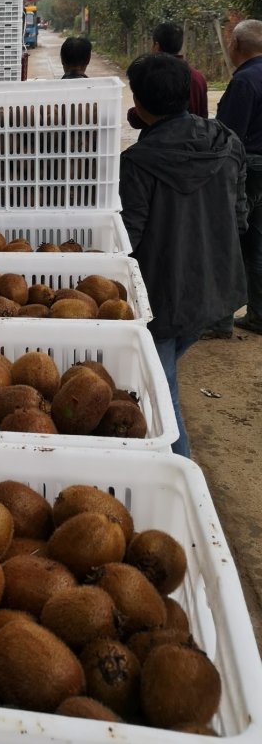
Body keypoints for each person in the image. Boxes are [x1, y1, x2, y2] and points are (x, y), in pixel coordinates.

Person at [119, 53, 247, 458]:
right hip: (217, 284)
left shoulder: (138, 163)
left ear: (138, 103)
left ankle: (180, 469)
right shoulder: (226, 142)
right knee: (165, 371)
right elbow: (240, 214)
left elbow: (129, 240)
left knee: (162, 392)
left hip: (165, 295)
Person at [204, 19, 262, 336]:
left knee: (228, 241)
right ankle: (258, 314)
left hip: (247, 170)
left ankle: (219, 320)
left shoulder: (244, 82)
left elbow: (228, 136)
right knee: (257, 245)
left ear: (236, 45)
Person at [127, 23, 208, 128]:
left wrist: (132, 113)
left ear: (156, 46)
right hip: (196, 139)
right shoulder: (198, 77)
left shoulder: (155, 77)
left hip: (162, 139)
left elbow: (141, 119)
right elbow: (203, 115)